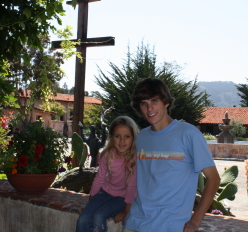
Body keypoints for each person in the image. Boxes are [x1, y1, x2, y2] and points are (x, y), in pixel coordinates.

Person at [124, 78, 221, 232]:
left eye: (155, 101)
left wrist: (195, 221)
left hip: (170, 226)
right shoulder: (141, 137)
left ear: (166, 102)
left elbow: (214, 179)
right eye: (144, 103)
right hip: (135, 223)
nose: (150, 109)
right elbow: (139, 179)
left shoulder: (188, 134)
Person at [76, 116, 139, 232]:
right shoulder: (107, 155)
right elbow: (99, 178)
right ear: (111, 137)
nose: (122, 141)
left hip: (122, 198)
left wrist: (126, 210)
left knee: (98, 216)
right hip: (104, 193)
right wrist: (90, 204)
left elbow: (132, 187)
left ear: (133, 138)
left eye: (127, 137)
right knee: (83, 218)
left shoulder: (134, 159)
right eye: (117, 136)